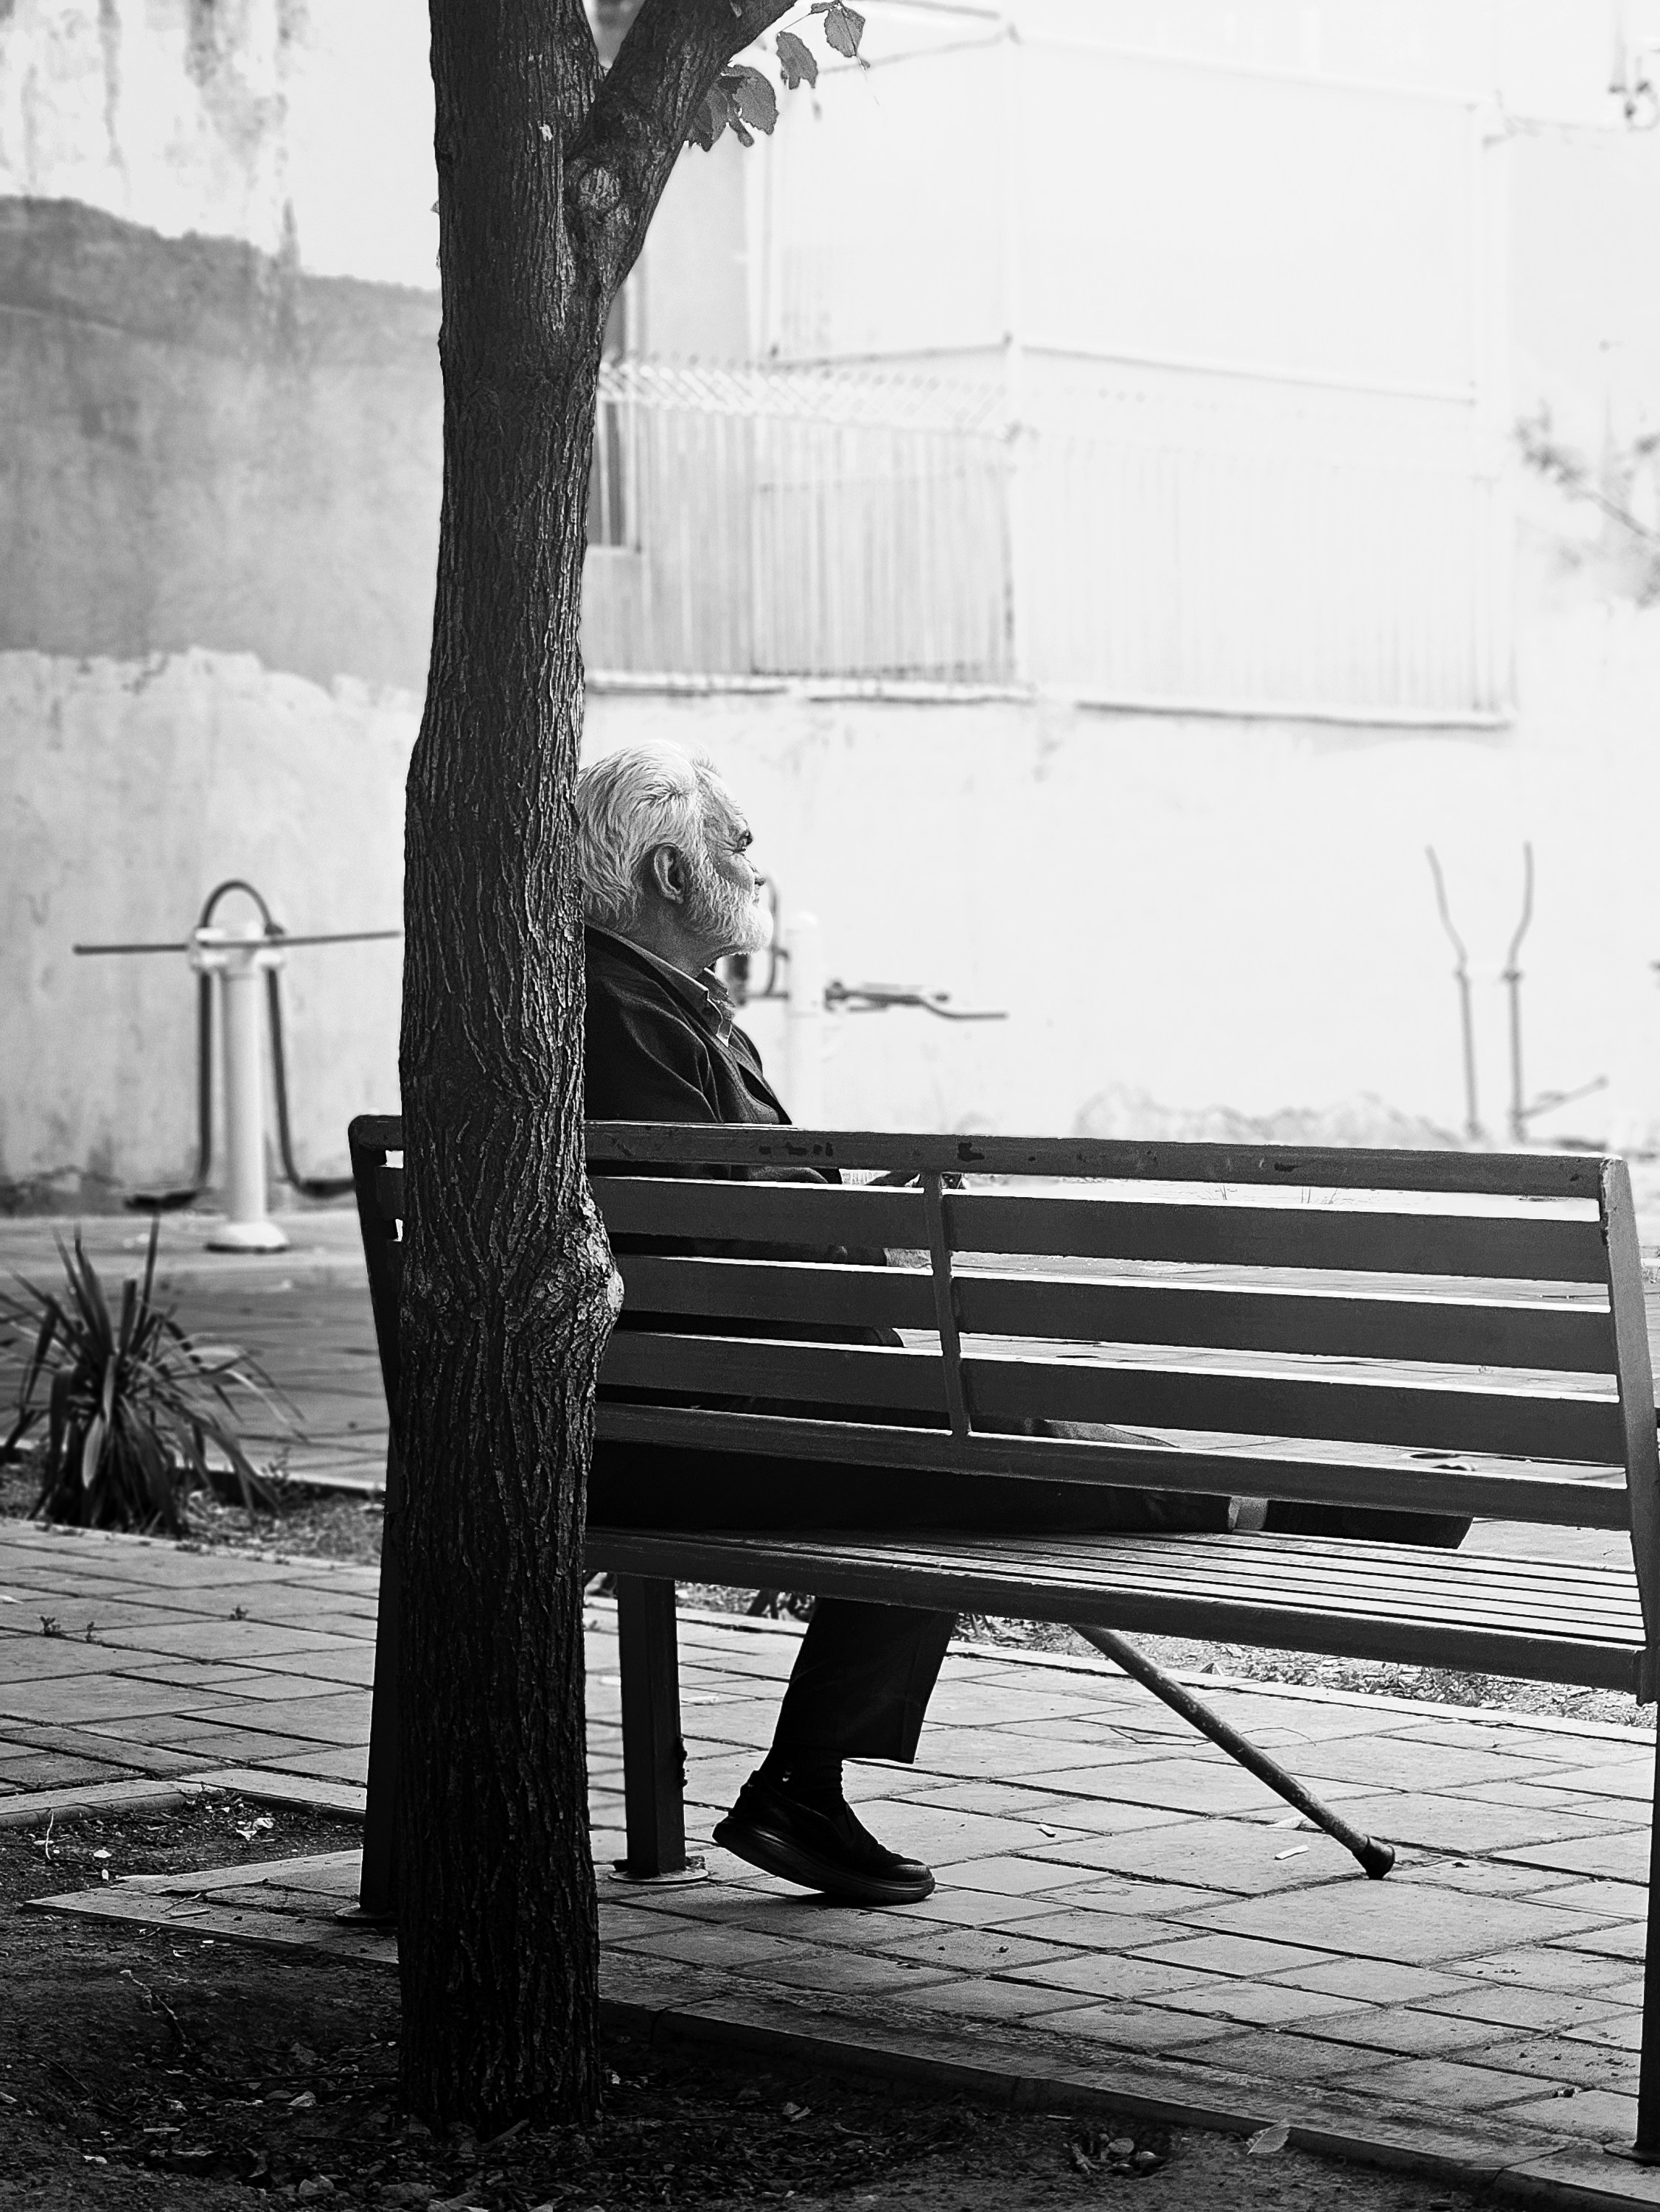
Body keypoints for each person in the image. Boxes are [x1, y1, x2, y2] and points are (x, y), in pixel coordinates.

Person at [576, 741, 1465, 1908]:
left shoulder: (622, 1000)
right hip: (688, 1438)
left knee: (963, 1447)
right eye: (733, 838)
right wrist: (863, 1248)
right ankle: (1284, 1499)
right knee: (971, 1450)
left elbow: (725, 1240)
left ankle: (804, 1786)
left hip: (690, 1414)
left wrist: (844, 1236)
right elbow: (734, 1262)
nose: (755, 857)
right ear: (669, 875)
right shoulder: (631, 1017)